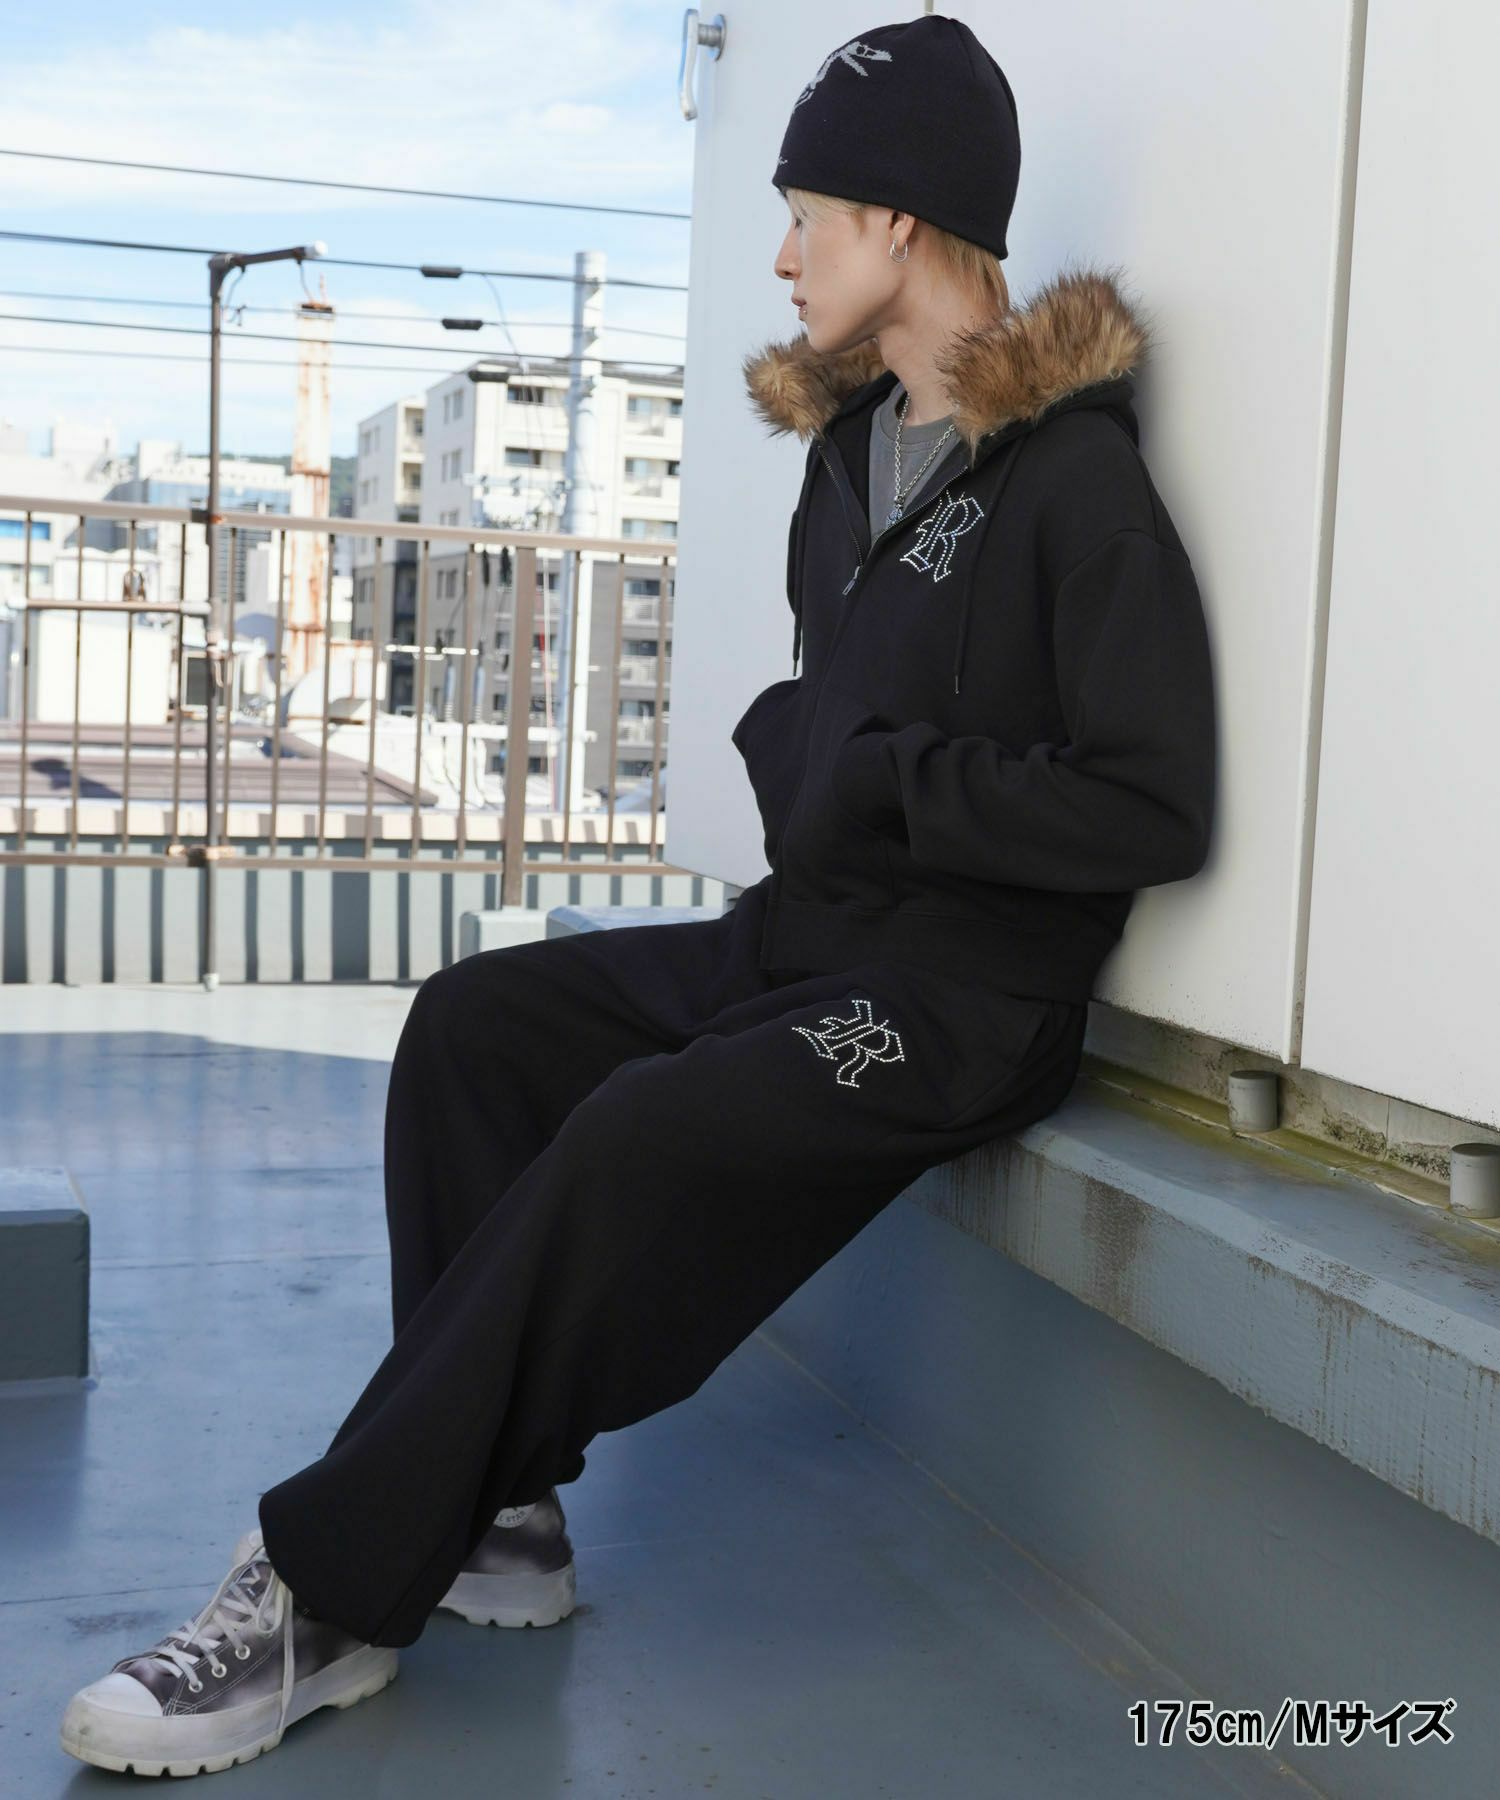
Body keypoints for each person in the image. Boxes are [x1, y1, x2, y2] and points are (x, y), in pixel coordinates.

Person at [58, 13, 1216, 1777]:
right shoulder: (850, 460)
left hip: (958, 1003)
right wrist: (808, 755)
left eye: (807, 217)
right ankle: (500, 1511)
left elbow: (1152, 802)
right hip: (803, 943)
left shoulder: (1078, 485)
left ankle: (332, 1589)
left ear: (900, 221)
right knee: (475, 1027)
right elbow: (844, 729)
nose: (785, 257)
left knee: (634, 1130)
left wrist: (880, 777)